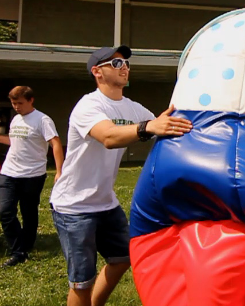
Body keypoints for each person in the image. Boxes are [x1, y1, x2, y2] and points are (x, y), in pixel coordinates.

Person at [50, 45, 193, 306]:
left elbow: (161, 123)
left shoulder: (132, 108)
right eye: (116, 64)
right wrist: (150, 127)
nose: (124, 67)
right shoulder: (88, 106)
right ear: (97, 72)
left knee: (124, 258)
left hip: (106, 203)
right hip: (74, 207)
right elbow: (108, 136)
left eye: (126, 63)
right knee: (82, 281)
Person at [0, 86, 64, 267]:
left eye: (20, 103)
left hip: (32, 174)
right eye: (13, 104)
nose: (16, 107)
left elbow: (55, 143)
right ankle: (17, 250)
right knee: (5, 211)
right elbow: (14, 141)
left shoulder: (42, 120)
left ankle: (26, 244)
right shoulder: (15, 120)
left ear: (31, 100)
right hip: (9, 172)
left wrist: (60, 171)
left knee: (29, 212)